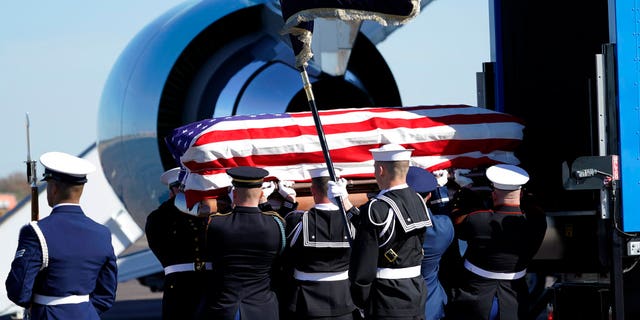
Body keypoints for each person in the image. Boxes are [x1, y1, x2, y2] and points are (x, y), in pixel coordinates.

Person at [5, 151, 118, 319]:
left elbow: (18, 290)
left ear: (54, 188)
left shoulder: (36, 232)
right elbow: (106, 294)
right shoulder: (102, 233)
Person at [447, 164, 547, 320]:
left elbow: (456, 218)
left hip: (475, 294)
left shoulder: (477, 220)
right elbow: (534, 207)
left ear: (493, 194)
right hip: (514, 297)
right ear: (520, 193)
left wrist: (464, 189)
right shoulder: (537, 222)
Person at [346, 144, 431, 320]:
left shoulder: (376, 207)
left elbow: (364, 265)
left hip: (386, 297)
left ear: (381, 169)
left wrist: (361, 300)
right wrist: (346, 204)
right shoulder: (417, 199)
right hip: (415, 291)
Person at [200, 166, 286, 320]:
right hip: (262, 309)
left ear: (234, 194)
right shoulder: (276, 225)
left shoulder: (216, 223)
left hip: (224, 307)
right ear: (261, 195)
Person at [145, 167, 224, 320]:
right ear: (172, 191)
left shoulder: (209, 212)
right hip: (180, 286)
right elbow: (161, 247)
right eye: (181, 187)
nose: (187, 191)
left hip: (211, 281)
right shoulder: (160, 217)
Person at [279, 167, 358, 319]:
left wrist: (289, 201)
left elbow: (278, 227)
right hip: (344, 300)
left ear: (312, 190)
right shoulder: (354, 221)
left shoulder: (296, 220)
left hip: (305, 301)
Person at [405, 167, 455, 320]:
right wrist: (440, 190)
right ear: (429, 195)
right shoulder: (443, 228)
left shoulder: (390, 224)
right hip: (431, 303)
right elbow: (443, 217)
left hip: (397, 303)